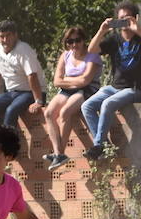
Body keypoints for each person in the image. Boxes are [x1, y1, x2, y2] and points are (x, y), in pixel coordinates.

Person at [82, 3, 141, 161]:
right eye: (120, 19)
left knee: (107, 104)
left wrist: (137, 29)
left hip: (135, 89)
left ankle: (98, 146)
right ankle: (104, 145)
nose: (123, 22)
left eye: (127, 18)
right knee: (87, 106)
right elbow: (91, 51)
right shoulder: (114, 39)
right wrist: (102, 30)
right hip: (115, 88)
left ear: (135, 18)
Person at [42, 27, 102, 170]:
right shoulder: (66, 55)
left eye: (77, 41)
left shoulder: (92, 56)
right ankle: (58, 153)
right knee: (49, 113)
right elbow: (56, 81)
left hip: (87, 91)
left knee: (65, 112)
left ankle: (59, 154)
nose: (74, 45)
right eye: (70, 41)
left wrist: (67, 79)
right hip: (67, 91)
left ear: (83, 40)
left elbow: (85, 81)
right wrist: (75, 80)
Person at [0, 20, 46, 146]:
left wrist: (38, 101)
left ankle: (9, 147)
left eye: (8, 36)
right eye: (2, 36)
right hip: (12, 92)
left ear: (16, 35)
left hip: (31, 92)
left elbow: (32, 76)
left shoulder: (24, 49)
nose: (5, 40)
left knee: (11, 111)